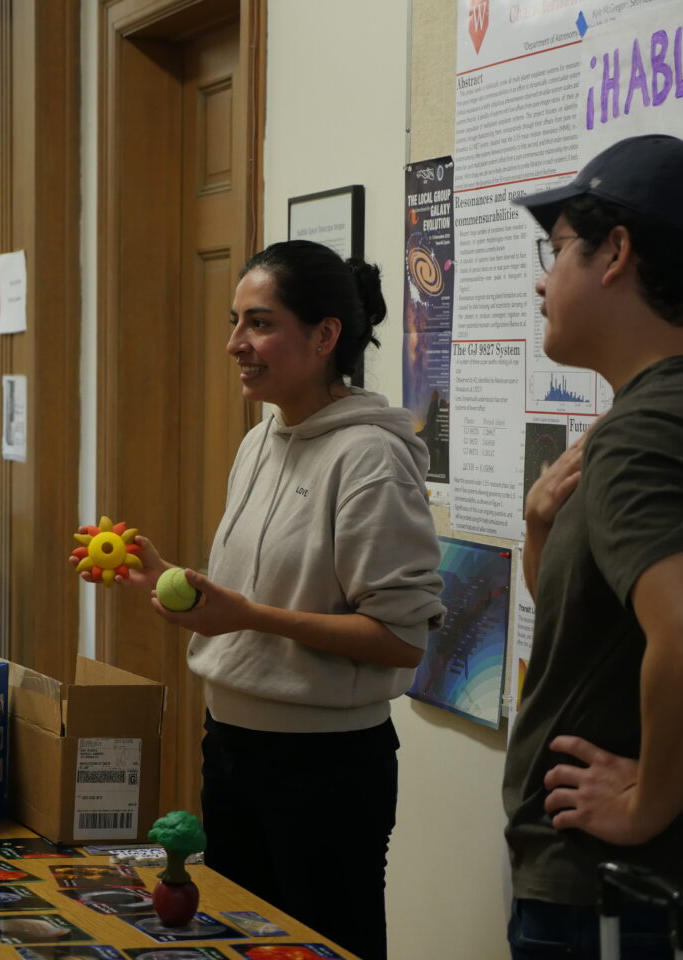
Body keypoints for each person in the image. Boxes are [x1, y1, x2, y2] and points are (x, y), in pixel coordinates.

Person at [116, 240, 446, 960]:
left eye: (259, 324)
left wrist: (248, 616)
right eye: (236, 322)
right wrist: (173, 579)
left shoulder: (370, 458)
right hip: (232, 749)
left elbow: (400, 638)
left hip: (324, 771)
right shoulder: (262, 439)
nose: (236, 344)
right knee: (238, 947)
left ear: (326, 336)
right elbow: (260, 593)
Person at [503, 135, 683, 959]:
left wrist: (641, 807)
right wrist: (543, 532)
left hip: (622, 892)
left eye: (555, 250)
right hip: (681, 881)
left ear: (616, 254)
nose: (540, 277)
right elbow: (605, 632)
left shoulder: (650, 434)